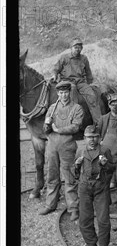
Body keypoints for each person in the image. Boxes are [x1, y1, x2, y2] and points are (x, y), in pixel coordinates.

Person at [39, 80, 84, 219]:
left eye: (65, 92)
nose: (63, 95)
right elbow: (46, 130)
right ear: (58, 93)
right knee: (52, 175)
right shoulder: (52, 108)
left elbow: (76, 126)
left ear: (69, 92)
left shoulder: (77, 108)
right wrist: (46, 126)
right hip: (52, 146)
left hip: (67, 146)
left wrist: (59, 129)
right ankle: (50, 204)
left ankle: (73, 208)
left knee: (69, 176)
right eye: (61, 93)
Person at [73, 125, 115, 246]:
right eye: (89, 137)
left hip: (100, 187)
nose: (92, 140)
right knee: (85, 218)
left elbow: (112, 169)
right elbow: (74, 174)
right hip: (84, 187)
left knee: (103, 219)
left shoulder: (105, 150)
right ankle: (91, 244)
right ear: (84, 138)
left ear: (100, 138)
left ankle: (104, 245)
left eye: (95, 137)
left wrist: (105, 164)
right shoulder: (80, 150)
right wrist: (76, 166)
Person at [51, 38, 102, 125]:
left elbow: (88, 72)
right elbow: (56, 69)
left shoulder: (84, 58)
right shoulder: (64, 58)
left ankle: (99, 123)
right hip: (67, 81)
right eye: (75, 47)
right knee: (72, 91)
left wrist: (90, 84)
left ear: (81, 48)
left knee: (92, 95)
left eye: (79, 47)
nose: (77, 49)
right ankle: (72, 121)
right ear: (71, 48)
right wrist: (54, 75)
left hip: (81, 82)